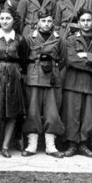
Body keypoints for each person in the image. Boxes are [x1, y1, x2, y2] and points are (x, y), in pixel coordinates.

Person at [60, 9, 92, 158]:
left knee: (89, 117)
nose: (86, 23)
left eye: (89, 20)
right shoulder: (70, 40)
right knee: (72, 115)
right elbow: (71, 60)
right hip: (73, 83)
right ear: (79, 22)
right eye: (83, 20)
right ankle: (72, 145)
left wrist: (86, 55)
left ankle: (84, 145)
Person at [0, 8, 28, 158]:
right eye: (2, 18)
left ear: (14, 20)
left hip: (14, 74)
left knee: (12, 112)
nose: (5, 21)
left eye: (8, 18)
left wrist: (19, 72)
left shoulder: (20, 39)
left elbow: (24, 58)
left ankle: (5, 146)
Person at [22, 9, 65, 158]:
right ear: (38, 22)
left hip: (52, 77)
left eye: (49, 21)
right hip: (34, 76)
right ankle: (32, 145)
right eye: (43, 21)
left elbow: (63, 59)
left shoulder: (59, 39)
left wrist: (54, 70)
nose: (46, 24)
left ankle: (50, 146)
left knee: (52, 112)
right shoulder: (29, 38)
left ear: (53, 22)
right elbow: (24, 57)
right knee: (32, 111)